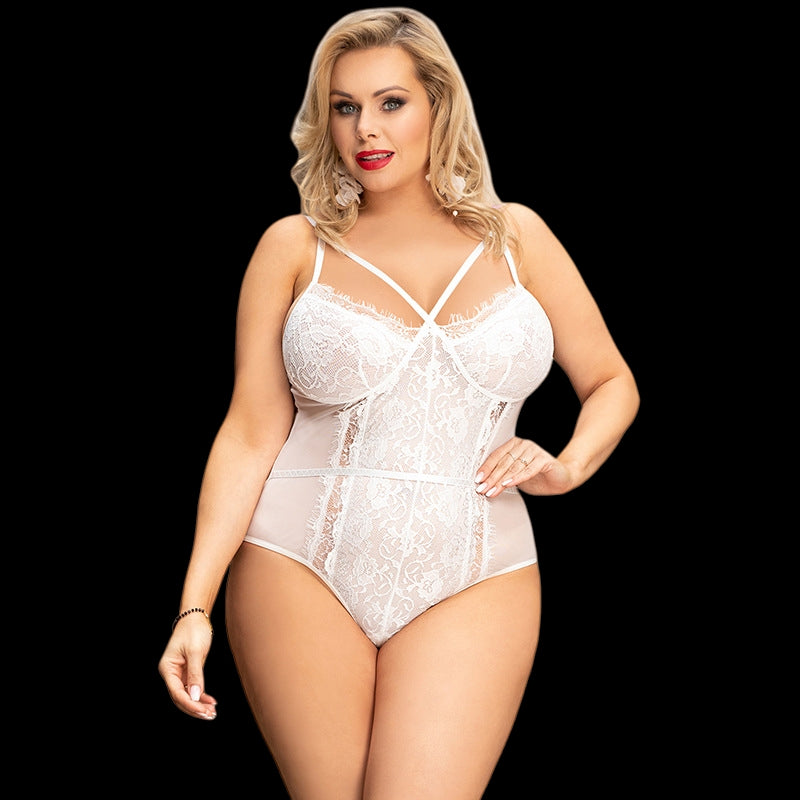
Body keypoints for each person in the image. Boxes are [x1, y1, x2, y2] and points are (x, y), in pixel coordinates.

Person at [157, 6, 640, 798]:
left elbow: (612, 382)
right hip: (299, 565)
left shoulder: (518, 238)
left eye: (391, 102)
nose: (366, 129)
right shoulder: (294, 247)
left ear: (438, 106)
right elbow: (249, 433)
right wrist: (193, 608)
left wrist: (568, 466)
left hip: (478, 570)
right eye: (345, 107)